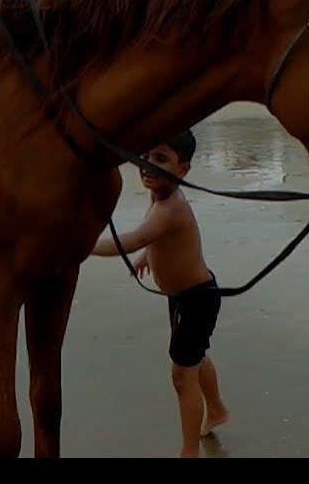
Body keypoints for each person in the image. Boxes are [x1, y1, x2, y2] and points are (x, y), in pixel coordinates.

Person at [89, 131, 230, 457]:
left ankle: (189, 451)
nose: (148, 166)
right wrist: (147, 257)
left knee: (182, 375)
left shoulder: (172, 209)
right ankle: (218, 409)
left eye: (161, 159)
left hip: (197, 298)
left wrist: (86, 248)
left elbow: (136, 237)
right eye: (146, 156)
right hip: (182, 297)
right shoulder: (159, 197)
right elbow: (152, 238)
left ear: (184, 169)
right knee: (194, 357)